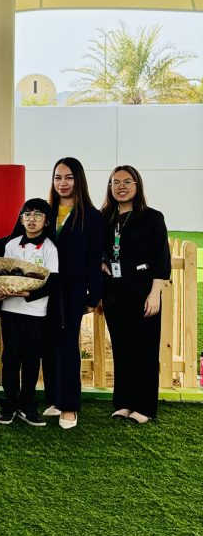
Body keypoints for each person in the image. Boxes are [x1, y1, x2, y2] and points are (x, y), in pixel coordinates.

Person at [100, 165, 170, 424]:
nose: (121, 186)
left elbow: (161, 258)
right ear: (110, 187)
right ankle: (124, 403)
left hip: (143, 293)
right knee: (122, 349)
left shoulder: (152, 218)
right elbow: (91, 246)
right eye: (115, 182)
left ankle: (145, 407)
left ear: (137, 186)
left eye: (127, 182)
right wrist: (99, 260)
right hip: (115, 295)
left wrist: (155, 294)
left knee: (145, 350)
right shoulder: (105, 218)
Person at [47, 157, 103, 429]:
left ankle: (69, 407)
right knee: (52, 344)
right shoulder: (44, 211)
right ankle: (55, 400)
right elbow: (18, 238)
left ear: (78, 180)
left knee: (69, 343)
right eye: (58, 177)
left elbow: (95, 258)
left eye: (68, 177)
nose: (63, 183)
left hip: (73, 289)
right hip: (45, 288)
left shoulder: (92, 216)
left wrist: (93, 296)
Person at [0, 199, 59, 427]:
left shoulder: (50, 248)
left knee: (32, 360)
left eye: (38, 215)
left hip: (35, 312)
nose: (32, 219)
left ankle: (27, 405)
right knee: (11, 358)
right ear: (21, 219)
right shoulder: (12, 245)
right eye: (27, 214)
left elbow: (52, 282)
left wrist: (27, 294)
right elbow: (4, 273)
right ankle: (9, 404)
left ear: (47, 221)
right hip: (11, 310)